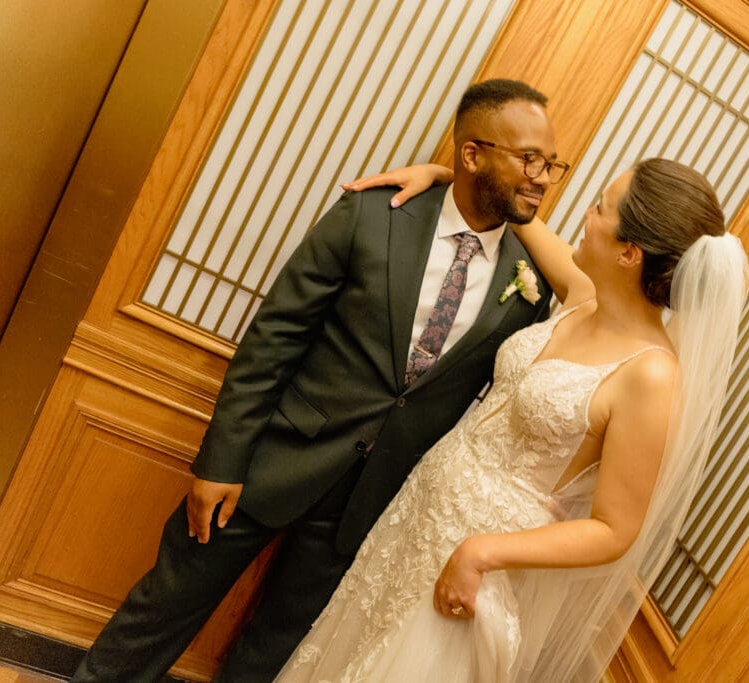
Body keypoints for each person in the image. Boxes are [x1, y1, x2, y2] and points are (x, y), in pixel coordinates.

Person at [72, 79, 559, 682]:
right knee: (162, 609)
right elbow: (274, 337)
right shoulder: (373, 215)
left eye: (551, 163)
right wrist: (221, 461)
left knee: (276, 651)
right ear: (472, 154)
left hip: (373, 501)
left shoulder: (531, 280)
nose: (542, 175)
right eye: (529, 159)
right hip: (271, 461)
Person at [275, 157, 749, 681]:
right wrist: (445, 175)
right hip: (420, 518)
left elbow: (614, 529)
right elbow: (521, 218)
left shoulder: (652, 375)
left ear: (629, 253)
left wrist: (483, 554)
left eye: (600, 208)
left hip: (483, 562)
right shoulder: (587, 297)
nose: (585, 215)